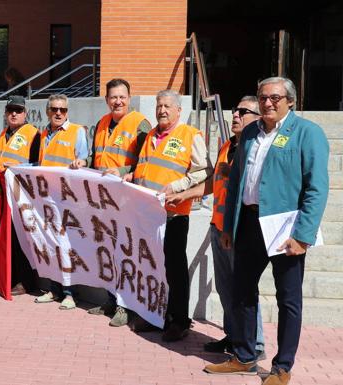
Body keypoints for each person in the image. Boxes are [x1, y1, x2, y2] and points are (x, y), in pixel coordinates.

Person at [204, 77, 329, 385]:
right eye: (262, 97)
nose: (268, 102)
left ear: (290, 101)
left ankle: (282, 366)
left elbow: (317, 188)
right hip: (247, 223)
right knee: (242, 292)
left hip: (285, 228)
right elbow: (235, 183)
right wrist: (228, 226)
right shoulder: (249, 133)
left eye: (275, 97)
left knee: (288, 299)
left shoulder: (307, 133)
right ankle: (245, 356)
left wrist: (303, 235)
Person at [166, 96, 266, 356]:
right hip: (219, 227)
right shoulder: (226, 146)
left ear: (258, 117)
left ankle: (254, 343)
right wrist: (185, 194)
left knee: (245, 289)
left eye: (243, 111)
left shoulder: (257, 147)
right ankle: (234, 337)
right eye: (235, 110)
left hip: (241, 230)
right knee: (225, 287)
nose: (235, 115)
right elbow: (213, 183)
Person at [124, 89, 212, 341]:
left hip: (173, 215)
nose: (162, 110)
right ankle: (157, 315)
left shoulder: (189, 135)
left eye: (167, 106)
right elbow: (145, 169)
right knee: (152, 267)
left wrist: (178, 186)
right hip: (147, 215)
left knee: (174, 269)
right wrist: (131, 177)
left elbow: (205, 170)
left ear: (178, 110)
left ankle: (179, 320)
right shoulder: (151, 135)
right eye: (159, 106)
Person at [71, 78, 151, 327]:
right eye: (113, 97)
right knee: (107, 250)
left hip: (127, 198)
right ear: (106, 100)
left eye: (122, 97)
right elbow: (97, 156)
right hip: (103, 199)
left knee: (125, 252)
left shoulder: (140, 124)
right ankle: (110, 299)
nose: (118, 101)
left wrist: (126, 170)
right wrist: (85, 162)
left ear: (129, 98)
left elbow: (147, 160)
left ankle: (125, 306)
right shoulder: (102, 123)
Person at [34, 94, 89, 310]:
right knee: (50, 243)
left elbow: (85, 158)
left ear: (67, 112)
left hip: (68, 200)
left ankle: (69, 293)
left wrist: (81, 161)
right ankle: (54, 289)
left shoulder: (77, 132)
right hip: (47, 198)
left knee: (68, 246)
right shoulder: (44, 133)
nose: (58, 113)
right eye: (55, 109)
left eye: (63, 110)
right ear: (48, 111)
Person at [0, 95, 40, 296]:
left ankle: (27, 281)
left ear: (25, 113)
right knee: (8, 237)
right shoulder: (3, 134)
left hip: (22, 194)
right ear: (5, 113)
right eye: (10, 110)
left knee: (22, 239)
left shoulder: (33, 134)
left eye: (18, 110)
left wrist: (20, 168)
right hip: (2, 191)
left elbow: (39, 165)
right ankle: (11, 276)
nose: (14, 113)